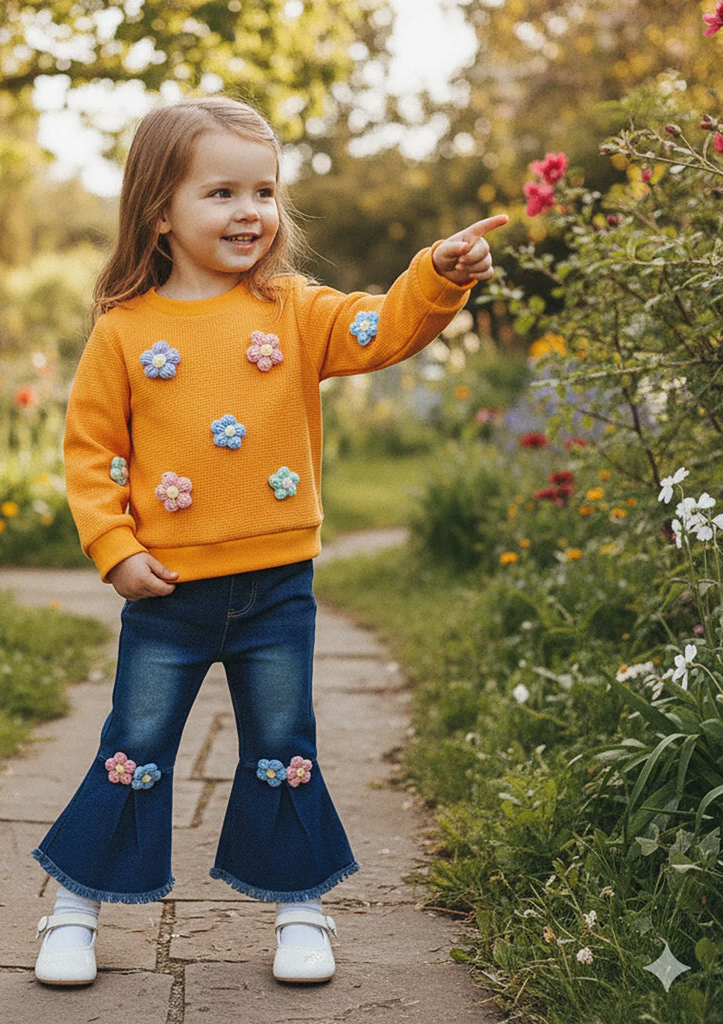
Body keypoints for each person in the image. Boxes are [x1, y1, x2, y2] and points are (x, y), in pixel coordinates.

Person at [31, 96, 507, 987]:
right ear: (158, 213)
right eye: (221, 192)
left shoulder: (294, 309)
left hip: (277, 589)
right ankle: (73, 910)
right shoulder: (124, 330)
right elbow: (91, 453)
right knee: (132, 747)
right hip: (168, 594)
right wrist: (114, 546)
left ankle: (300, 911)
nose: (250, 211)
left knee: (284, 745)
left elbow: (382, 327)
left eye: (265, 191)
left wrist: (438, 273)